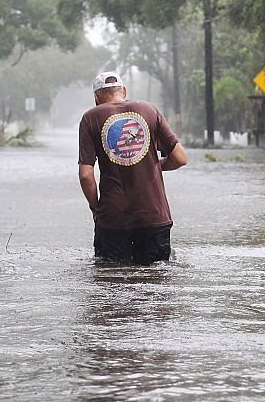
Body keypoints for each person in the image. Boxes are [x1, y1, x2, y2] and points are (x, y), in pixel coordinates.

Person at [78, 71, 188, 264]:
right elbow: (180, 158)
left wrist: (96, 208)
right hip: (154, 216)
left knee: (110, 283)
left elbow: (86, 175)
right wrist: (151, 166)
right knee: (155, 282)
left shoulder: (90, 118)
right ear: (123, 90)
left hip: (112, 219)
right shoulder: (149, 110)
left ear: (96, 96)